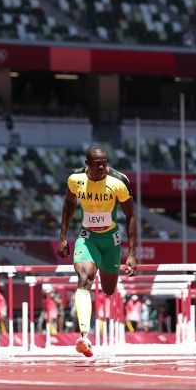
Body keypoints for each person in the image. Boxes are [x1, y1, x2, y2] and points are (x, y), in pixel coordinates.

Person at [57, 144, 137, 357]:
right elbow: (68, 204)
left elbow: (130, 216)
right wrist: (63, 237)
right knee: (84, 277)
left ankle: (103, 268)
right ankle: (84, 336)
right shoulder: (75, 180)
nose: (102, 168)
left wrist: (131, 254)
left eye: (104, 164)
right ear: (87, 164)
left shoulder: (119, 182)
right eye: (97, 165)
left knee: (109, 289)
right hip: (87, 236)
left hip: (110, 239)